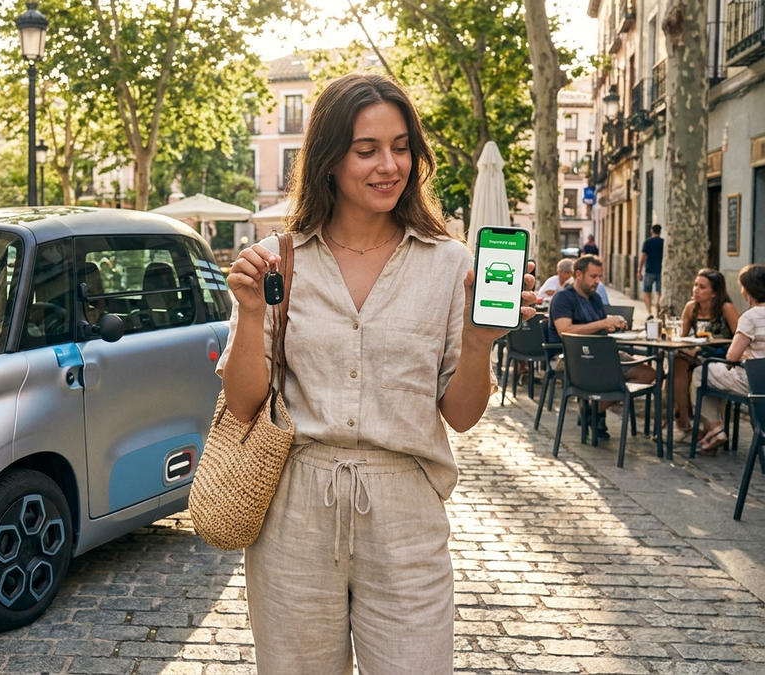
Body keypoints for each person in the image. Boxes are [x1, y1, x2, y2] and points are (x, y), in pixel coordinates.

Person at [217, 73, 535, 674]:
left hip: (407, 515)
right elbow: (243, 404)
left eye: (402, 146)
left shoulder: (450, 264)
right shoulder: (279, 260)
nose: (390, 165)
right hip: (294, 512)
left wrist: (477, 342)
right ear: (329, 159)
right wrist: (252, 310)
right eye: (367, 150)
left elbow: (462, 417)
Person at [546, 254, 656, 438]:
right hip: (569, 357)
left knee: (649, 373)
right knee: (610, 376)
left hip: (600, 353)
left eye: (600, 277)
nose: (598, 281)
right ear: (578, 275)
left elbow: (598, 329)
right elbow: (564, 331)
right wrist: (603, 323)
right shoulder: (563, 298)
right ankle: (595, 415)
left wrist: (613, 325)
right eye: (593, 276)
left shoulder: (595, 298)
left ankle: (591, 410)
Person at [692, 265, 765, 455]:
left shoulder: (750, 317)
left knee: (701, 372)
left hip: (752, 382)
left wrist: (746, 355)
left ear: (748, 290)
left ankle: (716, 428)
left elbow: (731, 356)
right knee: (715, 374)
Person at [667, 270, 739, 433]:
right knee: (676, 360)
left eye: (702, 287)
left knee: (685, 361)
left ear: (714, 293)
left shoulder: (725, 308)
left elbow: (739, 336)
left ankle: (705, 424)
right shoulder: (691, 307)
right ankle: (683, 420)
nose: (696, 290)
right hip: (696, 352)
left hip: (718, 355)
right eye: (695, 285)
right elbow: (682, 336)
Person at [638, 224, 664, 317]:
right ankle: (658, 311)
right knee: (659, 293)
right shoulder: (663, 242)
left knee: (646, 291)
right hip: (660, 270)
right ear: (660, 231)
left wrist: (639, 270)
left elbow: (643, 257)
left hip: (649, 270)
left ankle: (649, 312)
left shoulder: (647, 242)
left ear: (651, 231)